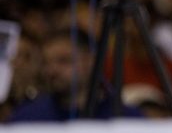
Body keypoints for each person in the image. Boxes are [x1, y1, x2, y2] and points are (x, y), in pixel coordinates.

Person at [7, 30, 143, 122]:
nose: (51, 70)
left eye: (64, 61)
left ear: (91, 61)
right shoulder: (27, 117)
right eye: (45, 63)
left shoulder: (127, 118)